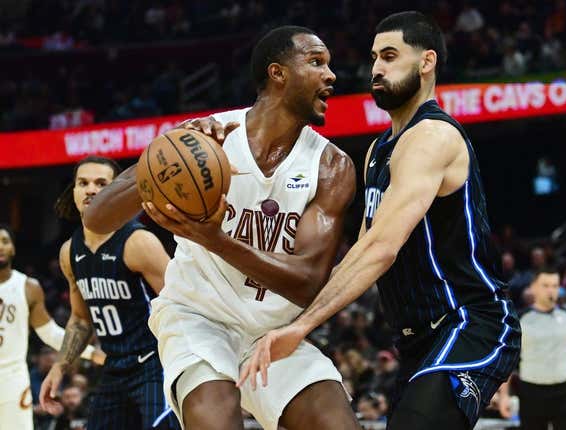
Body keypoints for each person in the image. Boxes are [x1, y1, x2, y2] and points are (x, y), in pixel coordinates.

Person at [239, 11, 521, 430]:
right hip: (413, 339)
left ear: (426, 62)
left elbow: (380, 248)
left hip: (468, 320)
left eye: (389, 56)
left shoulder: (432, 137)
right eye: (373, 58)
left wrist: (300, 327)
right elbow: (361, 252)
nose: (376, 68)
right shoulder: (377, 151)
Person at [83, 26, 360, 430]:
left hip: (273, 331)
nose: (331, 74)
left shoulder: (332, 167)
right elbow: (97, 218)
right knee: (215, 414)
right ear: (277, 73)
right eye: (317, 62)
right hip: (198, 314)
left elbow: (306, 283)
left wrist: (214, 239)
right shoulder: (208, 137)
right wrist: (164, 161)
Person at [39, 156, 179, 429]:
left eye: (101, 183)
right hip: (114, 368)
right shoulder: (70, 251)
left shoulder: (138, 242)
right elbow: (80, 319)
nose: (91, 189)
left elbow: (186, 303)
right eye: (83, 183)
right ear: (74, 191)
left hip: (153, 363)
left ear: (115, 192)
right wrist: (60, 366)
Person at [0, 224, 102, 430]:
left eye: (4, 241)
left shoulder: (28, 287)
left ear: (13, 248)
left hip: (12, 380)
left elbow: (50, 334)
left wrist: (91, 353)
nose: (0, 247)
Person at [497, 267, 566, 429]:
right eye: (545, 285)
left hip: (565, 391)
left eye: (555, 285)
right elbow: (507, 358)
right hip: (531, 392)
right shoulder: (520, 318)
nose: (551, 290)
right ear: (533, 287)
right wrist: (504, 395)